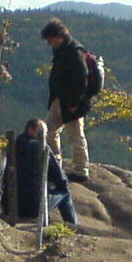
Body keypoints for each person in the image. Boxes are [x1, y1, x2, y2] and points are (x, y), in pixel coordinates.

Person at [40, 18, 92, 181]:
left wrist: (75, 104)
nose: (49, 43)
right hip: (60, 101)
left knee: (76, 135)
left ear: (58, 36)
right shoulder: (63, 50)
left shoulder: (74, 52)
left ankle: (81, 171)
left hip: (71, 104)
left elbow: (82, 81)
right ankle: (55, 165)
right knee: (49, 131)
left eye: (50, 39)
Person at [12, 118, 79, 228]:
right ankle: (75, 228)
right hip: (32, 207)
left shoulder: (13, 146)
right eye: (42, 132)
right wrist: (64, 186)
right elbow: (60, 178)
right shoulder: (41, 149)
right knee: (65, 194)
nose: (44, 136)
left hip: (8, 203)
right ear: (31, 130)